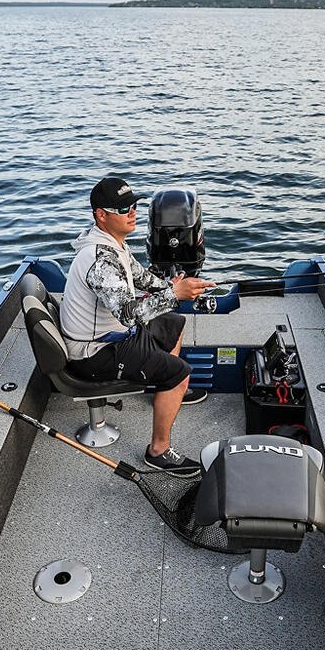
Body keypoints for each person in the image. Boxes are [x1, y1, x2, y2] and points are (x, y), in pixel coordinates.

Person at [59, 176, 215, 477]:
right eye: (123, 209)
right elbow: (129, 314)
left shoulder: (115, 245)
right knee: (180, 373)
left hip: (112, 336)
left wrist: (171, 287)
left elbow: (142, 278)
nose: (132, 212)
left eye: (133, 206)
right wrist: (175, 295)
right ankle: (158, 451)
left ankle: (164, 386)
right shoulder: (100, 261)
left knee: (173, 323)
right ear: (101, 215)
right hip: (94, 353)